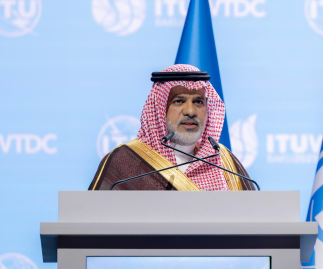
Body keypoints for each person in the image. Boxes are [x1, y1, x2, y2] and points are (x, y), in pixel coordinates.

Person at [89, 64, 255, 191]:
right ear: (159, 109)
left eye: (198, 102)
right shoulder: (127, 160)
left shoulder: (224, 161)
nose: (191, 111)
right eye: (179, 101)